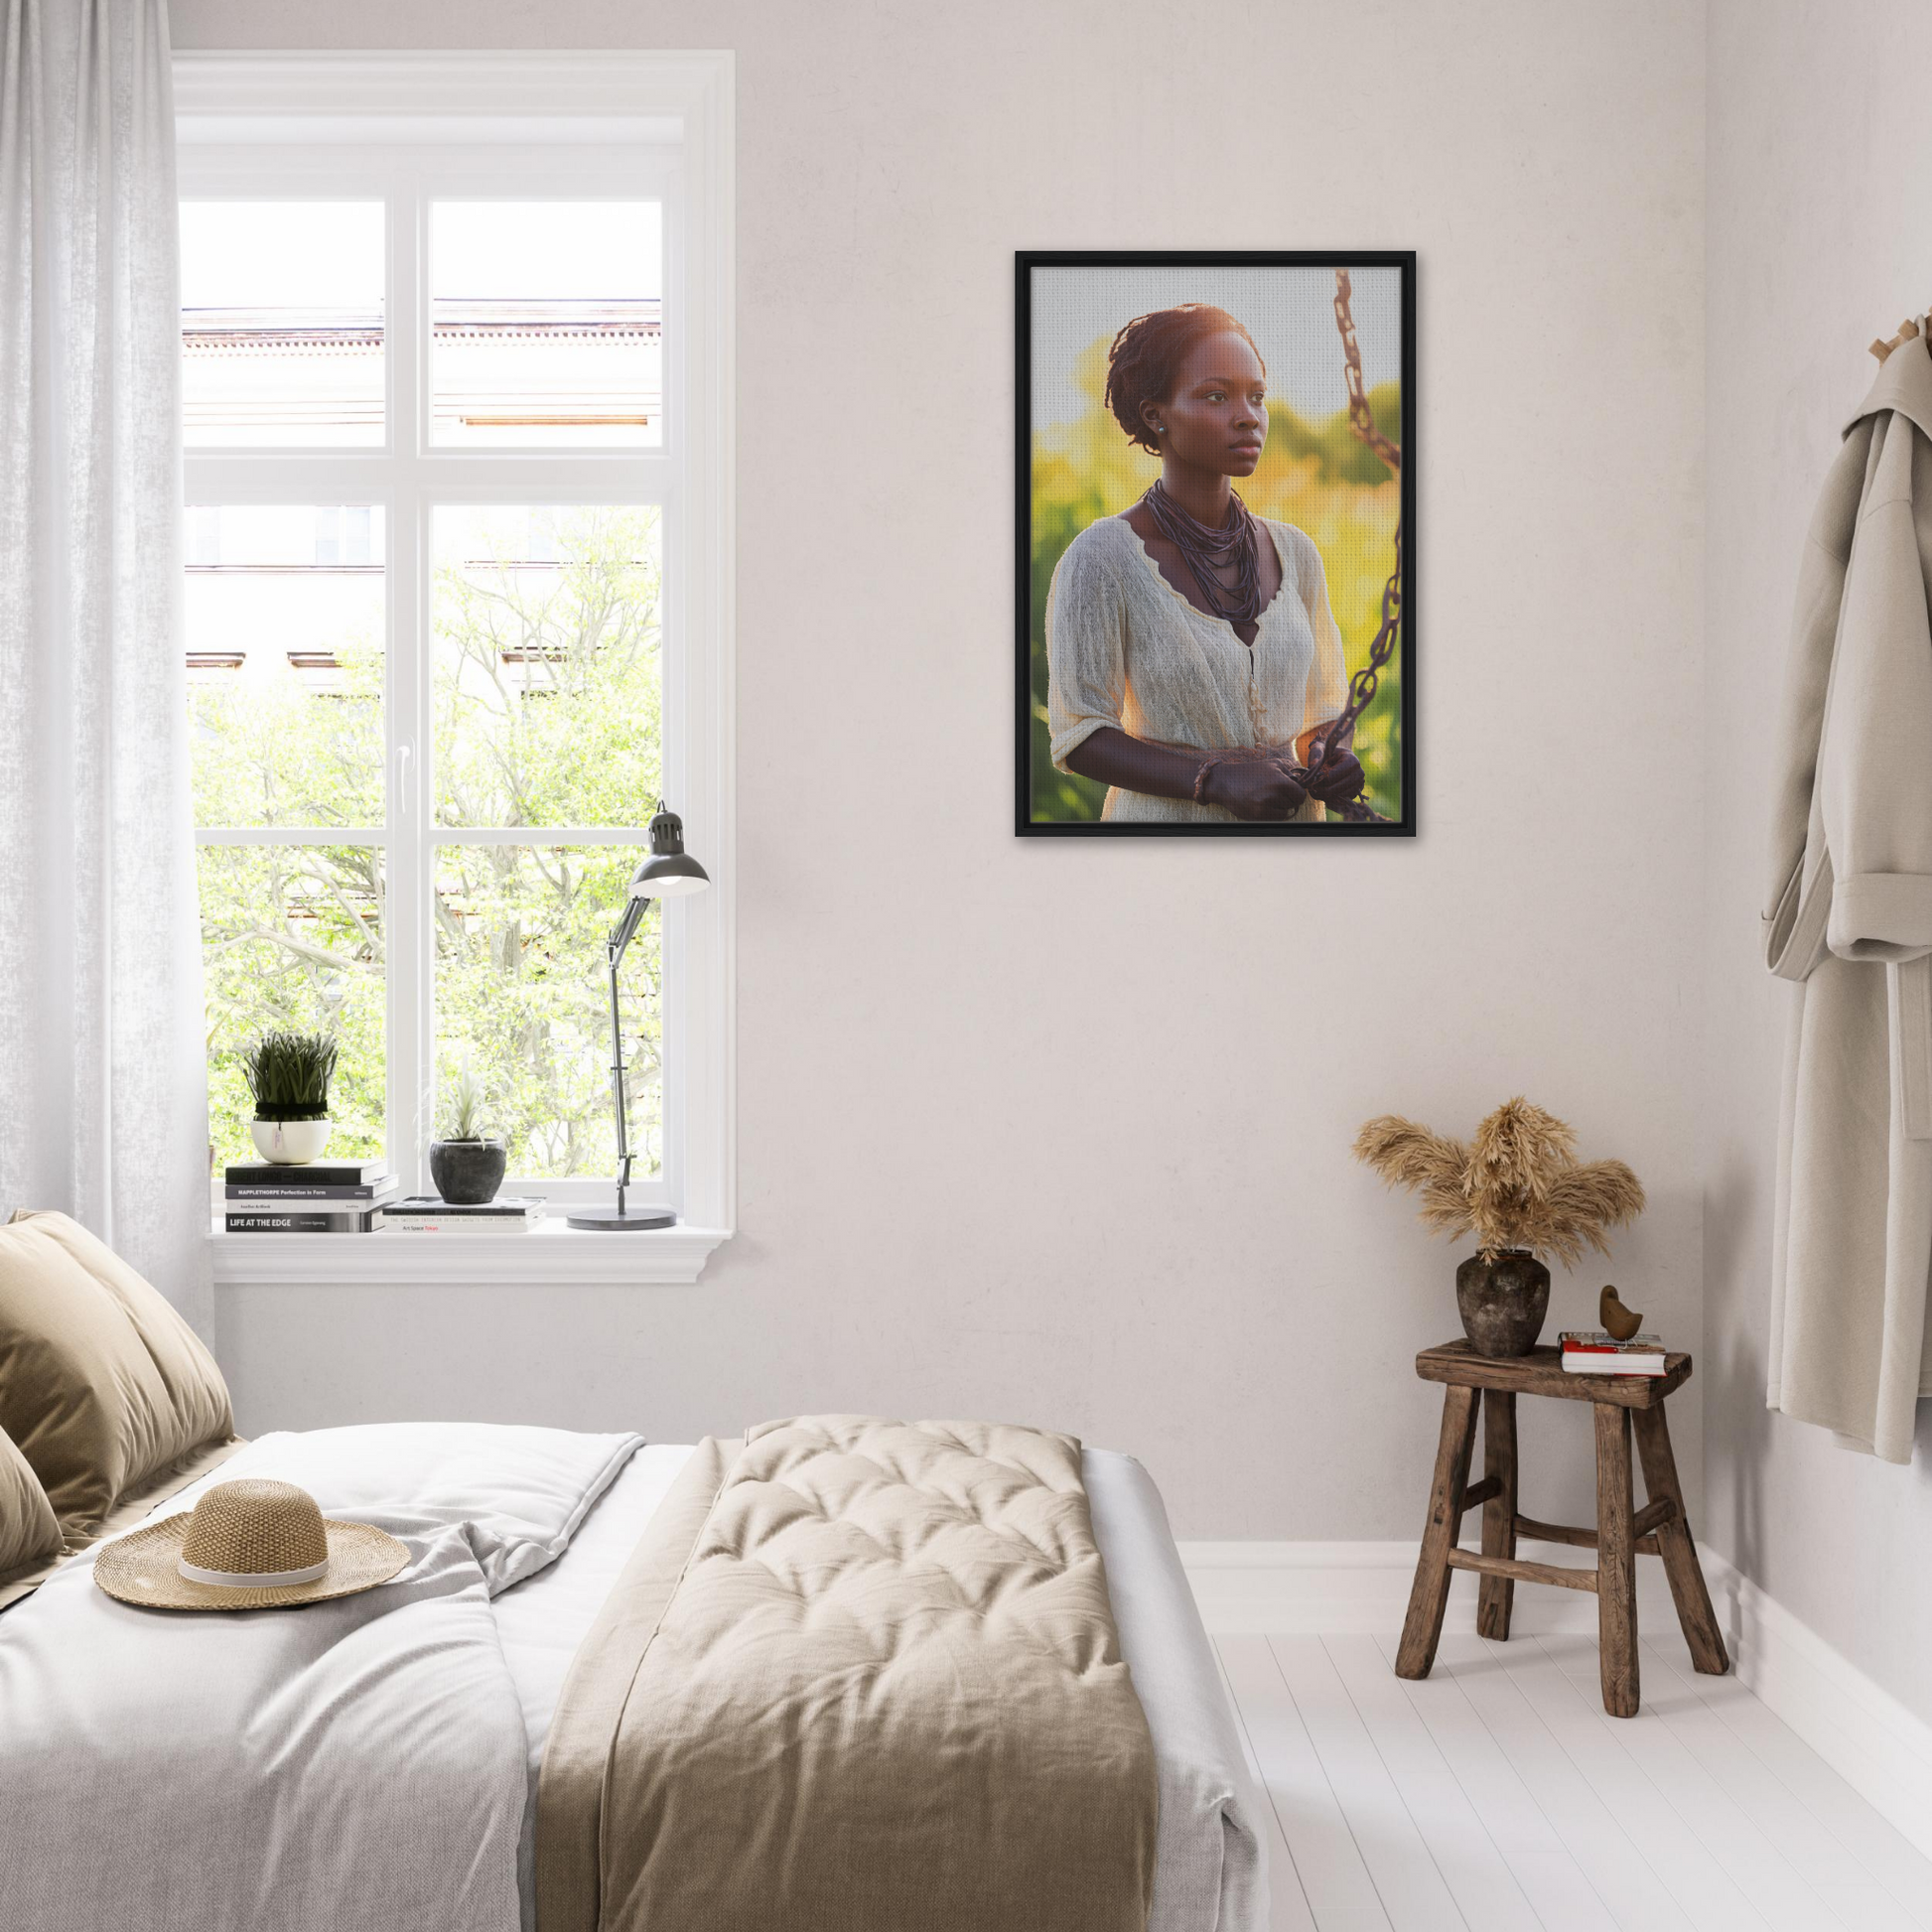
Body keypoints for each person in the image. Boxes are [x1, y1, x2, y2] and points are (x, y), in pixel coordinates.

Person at [1045, 303, 1364, 823]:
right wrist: (1212, 781)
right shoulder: (1101, 558)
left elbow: (1322, 713)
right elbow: (1082, 735)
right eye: (1217, 396)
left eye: (1256, 397)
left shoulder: (1295, 552)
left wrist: (1330, 754)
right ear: (1155, 415)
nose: (1248, 416)